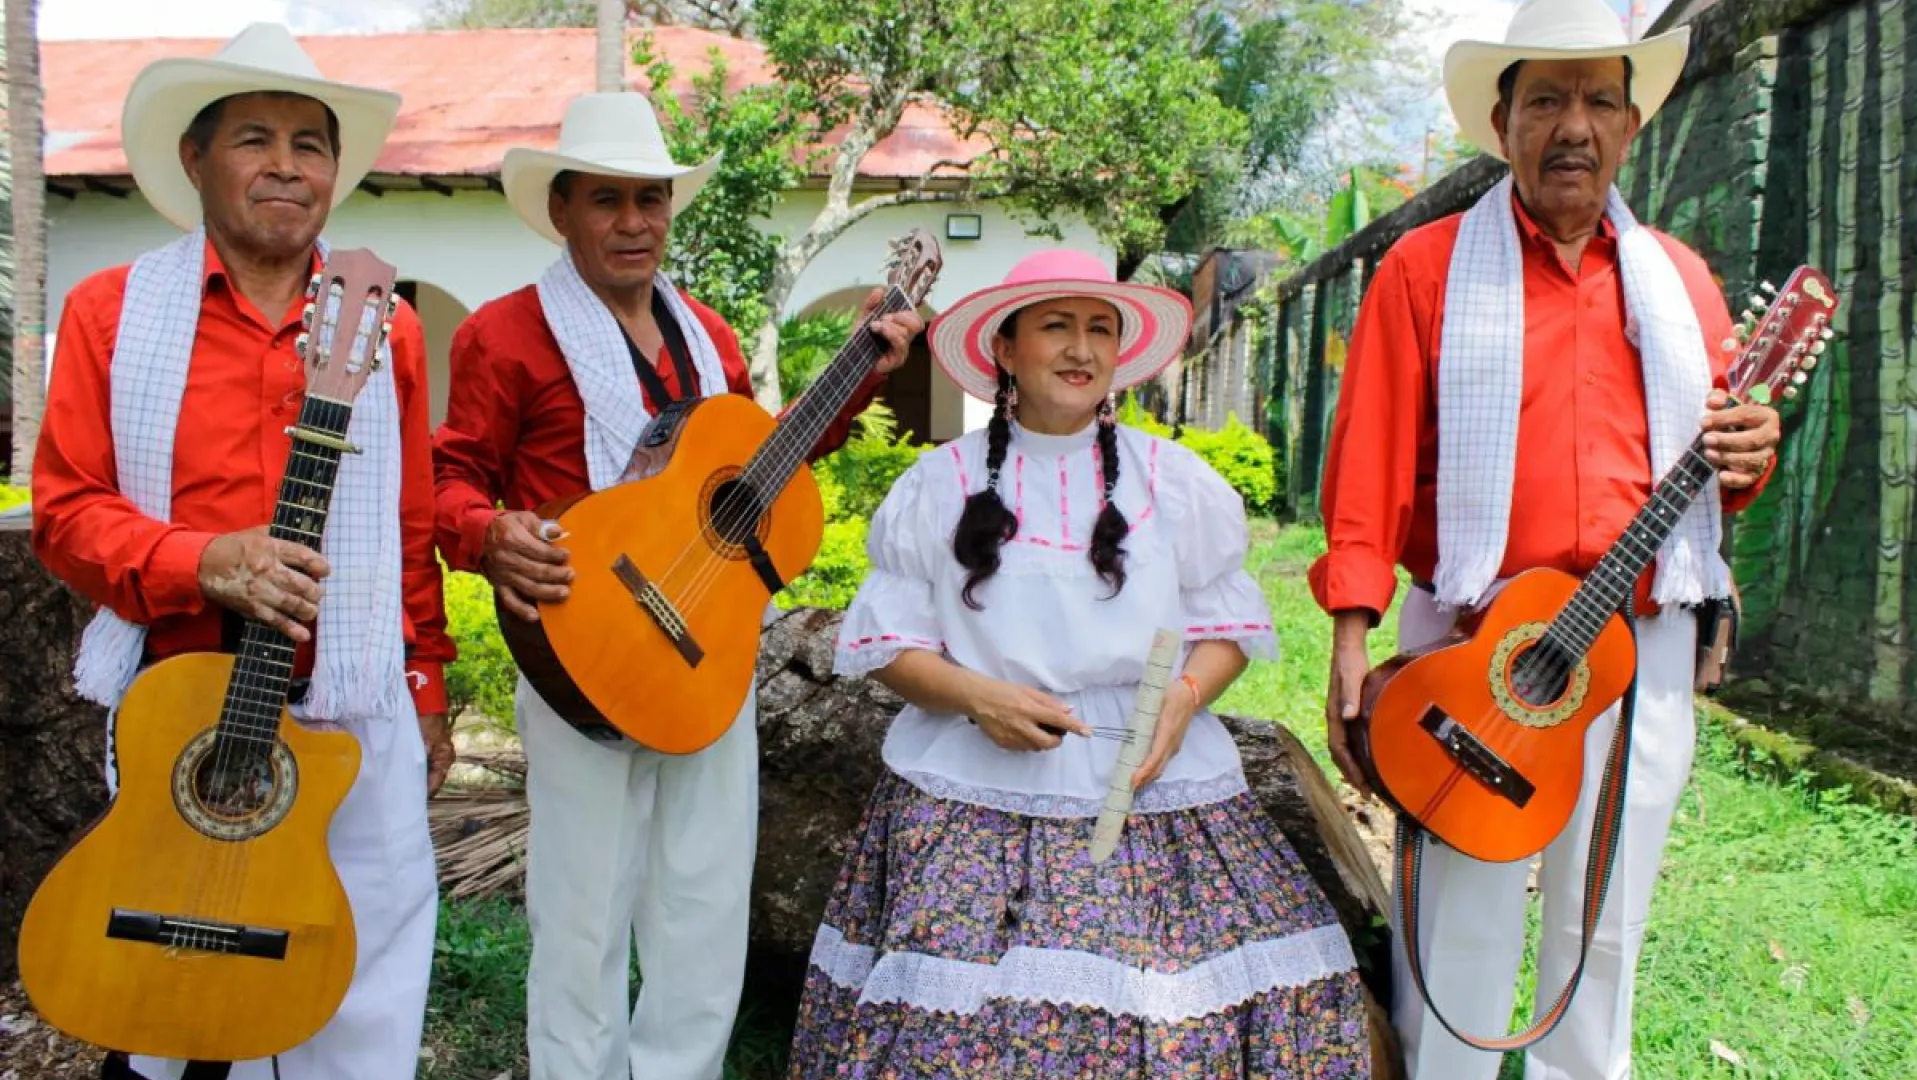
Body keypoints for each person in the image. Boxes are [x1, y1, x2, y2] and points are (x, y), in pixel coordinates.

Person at [1312, 1, 1783, 1078]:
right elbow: (1368, 462)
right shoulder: (1425, 270)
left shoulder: (1684, 283)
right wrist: (1349, 634)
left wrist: (1751, 453)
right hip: (1479, 642)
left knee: (1603, 924)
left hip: (1640, 644)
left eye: (1599, 101)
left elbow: (1717, 475)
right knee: (1461, 921)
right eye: (1547, 100)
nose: (1574, 125)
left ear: (1629, 126)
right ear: (1502, 119)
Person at [786, 248, 1373, 1079]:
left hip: (1149, 782)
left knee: (1190, 1001)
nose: (1081, 350)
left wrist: (1185, 696)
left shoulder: (1174, 482)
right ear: (1005, 349)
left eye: (1101, 329)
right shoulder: (938, 483)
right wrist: (979, 698)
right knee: (961, 1023)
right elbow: (887, 646)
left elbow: (1227, 623)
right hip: (974, 789)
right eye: (1055, 326)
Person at [431, 91, 922, 1080]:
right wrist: (487, 533)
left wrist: (865, 367)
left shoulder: (708, 336)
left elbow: (753, 467)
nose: (633, 222)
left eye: (650, 200)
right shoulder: (504, 334)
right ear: (561, 208)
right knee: (584, 907)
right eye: (607, 200)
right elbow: (447, 479)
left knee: (704, 897)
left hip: (709, 642)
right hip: (581, 647)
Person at [30, 22, 452, 1080]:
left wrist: (426, 678)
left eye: (310, 144)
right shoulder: (112, 312)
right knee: (170, 988)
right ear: (195, 159)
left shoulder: (383, 325)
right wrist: (200, 559)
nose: (286, 165)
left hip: (354, 698)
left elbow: (408, 521)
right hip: (181, 695)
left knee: (362, 977)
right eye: (254, 139)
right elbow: (65, 509)